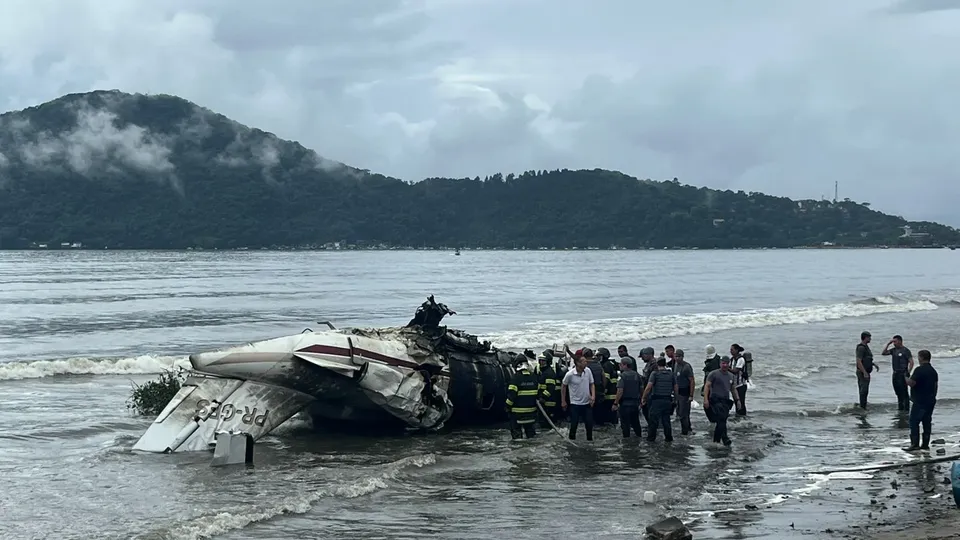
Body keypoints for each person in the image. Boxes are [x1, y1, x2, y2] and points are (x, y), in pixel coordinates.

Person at [904, 350, 938, 451]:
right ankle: (925, 444)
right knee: (926, 422)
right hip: (930, 400)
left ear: (921, 358)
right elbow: (936, 386)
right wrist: (933, 397)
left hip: (920, 400)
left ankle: (914, 444)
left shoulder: (919, 370)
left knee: (914, 421)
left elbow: (912, 383)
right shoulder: (933, 371)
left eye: (918, 357)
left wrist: (905, 377)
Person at [703, 358, 741, 446]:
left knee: (722, 420)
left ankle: (722, 439)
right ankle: (718, 441)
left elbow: (733, 389)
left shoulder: (731, 376)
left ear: (729, 364)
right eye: (723, 363)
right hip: (715, 400)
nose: (725, 365)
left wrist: (738, 401)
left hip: (725, 401)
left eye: (727, 363)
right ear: (720, 363)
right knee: (722, 419)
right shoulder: (713, 374)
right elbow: (707, 386)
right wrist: (706, 400)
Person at [641, 357, 677, 442]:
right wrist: (675, 399)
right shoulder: (671, 374)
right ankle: (668, 438)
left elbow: (648, 387)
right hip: (668, 400)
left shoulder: (655, 374)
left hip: (657, 400)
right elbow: (676, 388)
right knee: (666, 420)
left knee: (653, 420)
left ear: (657, 364)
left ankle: (651, 439)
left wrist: (643, 398)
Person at [561, 354, 596, 441]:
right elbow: (563, 386)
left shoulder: (588, 371)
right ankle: (572, 441)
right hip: (575, 404)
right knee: (574, 424)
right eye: (584, 361)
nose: (586, 362)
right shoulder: (570, 374)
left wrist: (593, 396)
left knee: (589, 424)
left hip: (587, 403)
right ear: (577, 363)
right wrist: (563, 401)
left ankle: (589, 441)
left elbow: (592, 384)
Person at [505, 355, 539, 439]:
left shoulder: (515, 378)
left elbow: (511, 396)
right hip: (531, 413)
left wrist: (507, 407)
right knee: (531, 435)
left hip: (517, 414)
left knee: (517, 438)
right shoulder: (534, 377)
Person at [612, 355, 643, 438]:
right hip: (635, 403)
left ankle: (627, 442)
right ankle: (639, 438)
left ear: (625, 365)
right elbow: (641, 388)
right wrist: (642, 399)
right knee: (636, 423)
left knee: (625, 424)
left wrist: (615, 403)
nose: (619, 366)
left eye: (621, 364)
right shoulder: (637, 375)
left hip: (625, 404)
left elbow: (620, 391)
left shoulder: (622, 376)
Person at [882, 335, 914, 412]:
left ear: (900, 341)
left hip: (902, 373)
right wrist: (888, 344)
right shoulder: (893, 350)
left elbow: (911, 362)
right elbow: (884, 353)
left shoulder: (905, 350)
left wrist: (908, 372)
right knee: (898, 392)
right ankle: (900, 408)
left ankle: (906, 409)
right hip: (895, 374)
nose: (894, 343)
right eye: (893, 342)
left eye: (895, 341)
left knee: (904, 393)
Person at [672, 349, 696, 435]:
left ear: (682, 357)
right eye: (676, 356)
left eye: (679, 356)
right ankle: (687, 429)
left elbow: (692, 381)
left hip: (685, 392)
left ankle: (685, 431)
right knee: (680, 412)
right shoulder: (675, 365)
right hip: (678, 393)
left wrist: (691, 395)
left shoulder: (686, 367)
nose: (677, 358)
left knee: (684, 413)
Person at [536, 352, 559, 427]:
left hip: (548, 402)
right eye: (540, 360)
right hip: (542, 402)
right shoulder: (542, 372)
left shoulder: (549, 373)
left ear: (548, 362)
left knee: (548, 423)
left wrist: (543, 397)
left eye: (543, 361)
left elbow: (550, 388)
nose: (541, 362)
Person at [855, 331, 878, 409]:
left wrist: (873, 364)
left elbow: (867, 359)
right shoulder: (861, 348)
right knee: (863, 390)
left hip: (866, 371)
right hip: (862, 372)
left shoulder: (866, 347)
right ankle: (862, 407)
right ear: (865, 338)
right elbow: (859, 361)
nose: (870, 339)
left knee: (865, 390)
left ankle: (863, 404)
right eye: (869, 337)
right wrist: (864, 372)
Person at [597, 347, 620, 425]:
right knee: (613, 414)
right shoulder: (611, 363)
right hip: (614, 393)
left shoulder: (605, 365)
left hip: (609, 394)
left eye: (599, 356)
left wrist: (603, 390)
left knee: (608, 414)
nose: (598, 357)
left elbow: (605, 379)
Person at [637, 347, 657, 421]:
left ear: (649, 355)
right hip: (647, 390)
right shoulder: (648, 364)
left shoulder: (654, 365)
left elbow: (652, 379)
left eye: (643, 356)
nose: (642, 359)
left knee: (650, 411)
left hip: (652, 392)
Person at [729, 344, 748, 416]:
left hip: (741, 385)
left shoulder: (741, 359)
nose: (730, 351)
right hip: (734, 385)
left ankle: (742, 416)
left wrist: (726, 368)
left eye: (732, 350)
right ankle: (739, 415)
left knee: (741, 402)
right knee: (737, 402)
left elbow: (735, 371)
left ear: (737, 350)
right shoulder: (732, 359)